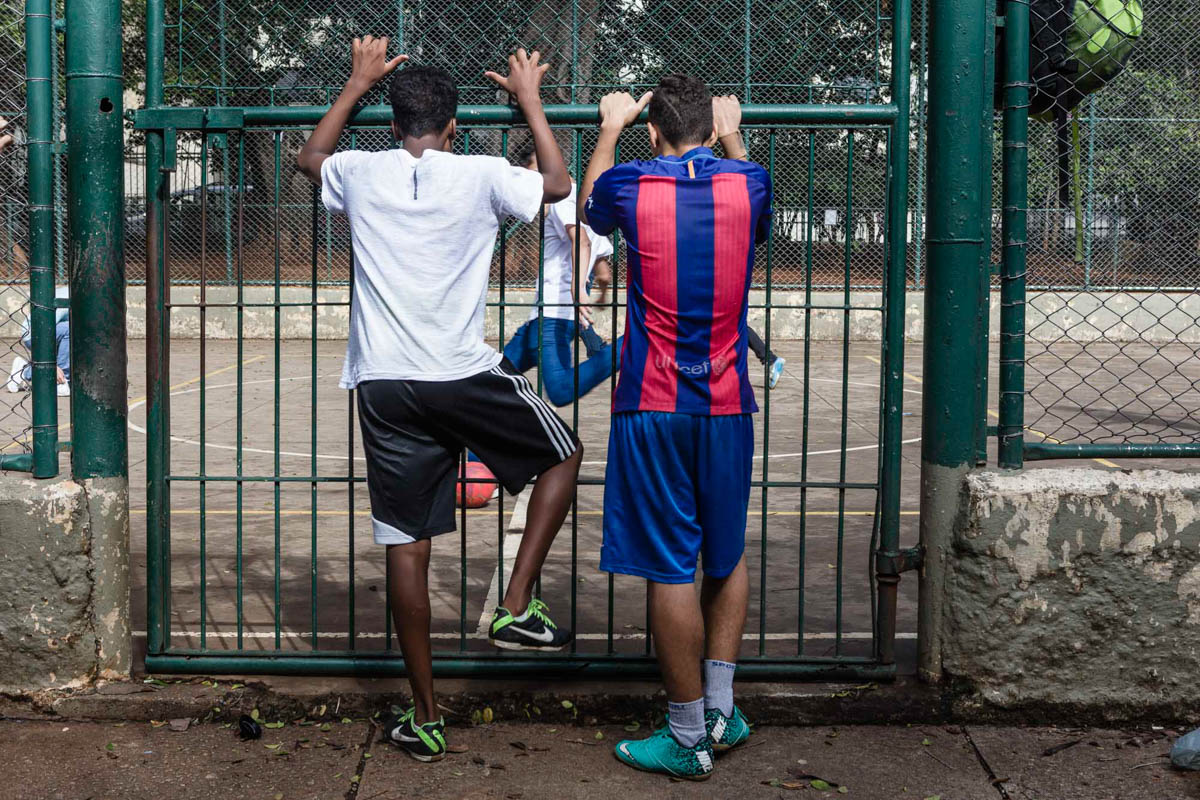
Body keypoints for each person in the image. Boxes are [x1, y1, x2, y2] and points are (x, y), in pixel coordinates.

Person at [297, 38, 582, 763]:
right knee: (563, 456)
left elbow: (309, 160)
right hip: (460, 373)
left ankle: (424, 718)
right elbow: (554, 183)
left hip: (385, 384)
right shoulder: (483, 174)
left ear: (393, 124)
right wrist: (529, 99)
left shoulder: (360, 172)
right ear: (453, 127)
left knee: (405, 543)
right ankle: (515, 605)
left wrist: (356, 83)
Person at [580, 77, 771, 780]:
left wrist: (608, 128)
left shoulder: (632, 183)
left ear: (652, 134)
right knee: (726, 554)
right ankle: (721, 708)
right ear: (713, 125)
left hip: (655, 405)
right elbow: (751, 192)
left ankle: (687, 734)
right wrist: (734, 137)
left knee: (669, 565)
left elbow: (591, 208)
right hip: (726, 405)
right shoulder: (748, 182)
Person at [501, 145, 622, 406]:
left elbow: (582, 241)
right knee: (495, 382)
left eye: (534, 172)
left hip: (555, 314)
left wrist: (578, 290)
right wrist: (599, 290)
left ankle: (629, 347)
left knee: (560, 391)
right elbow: (601, 267)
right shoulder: (580, 201)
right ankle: (479, 447)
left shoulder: (562, 199)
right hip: (545, 316)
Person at [7, 285, 70, 397]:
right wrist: (51, 363)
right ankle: (61, 381)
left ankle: (25, 370)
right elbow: (43, 331)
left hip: (53, 334)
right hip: (36, 336)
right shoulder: (66, 298)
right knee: (69, 328)